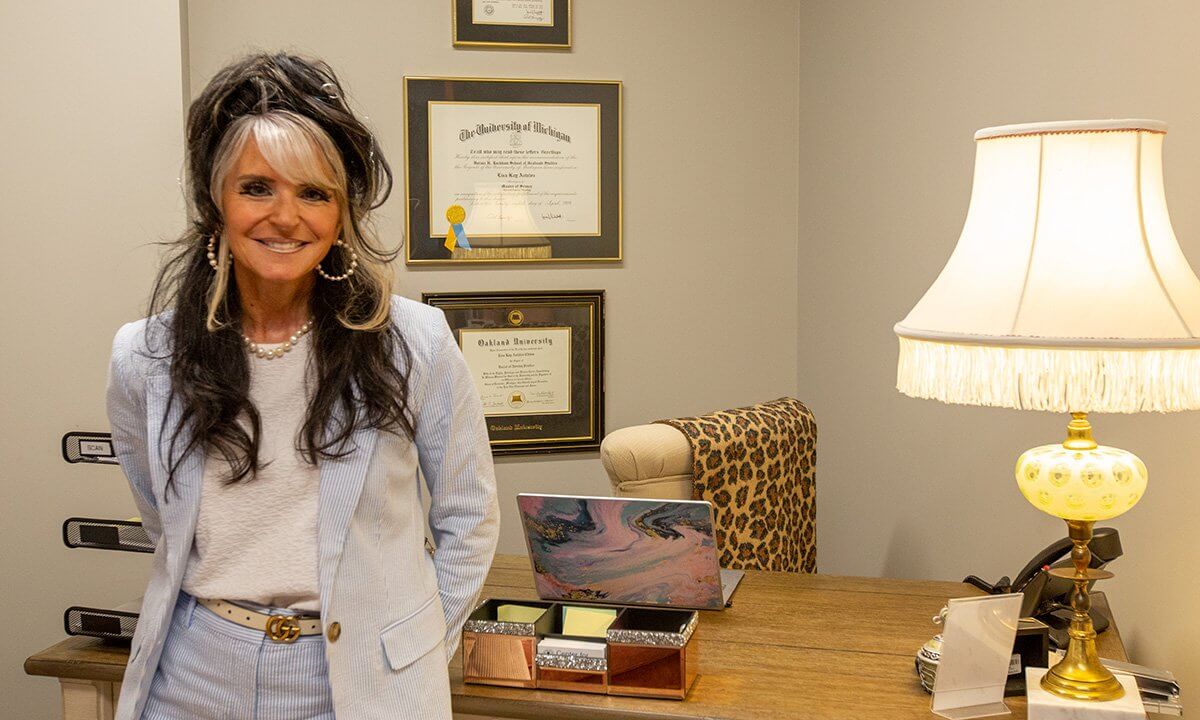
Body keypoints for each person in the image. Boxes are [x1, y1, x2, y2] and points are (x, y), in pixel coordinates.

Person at [105, 53, 499, 720]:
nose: (286, 217)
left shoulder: (416, 343)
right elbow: (163, 514)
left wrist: (415, 643)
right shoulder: (144, 355)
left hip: (358, 681)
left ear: (342, 213)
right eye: (257, 187)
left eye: (314, 193)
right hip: (194, 672)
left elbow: (469, 515)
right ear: (215, 199)